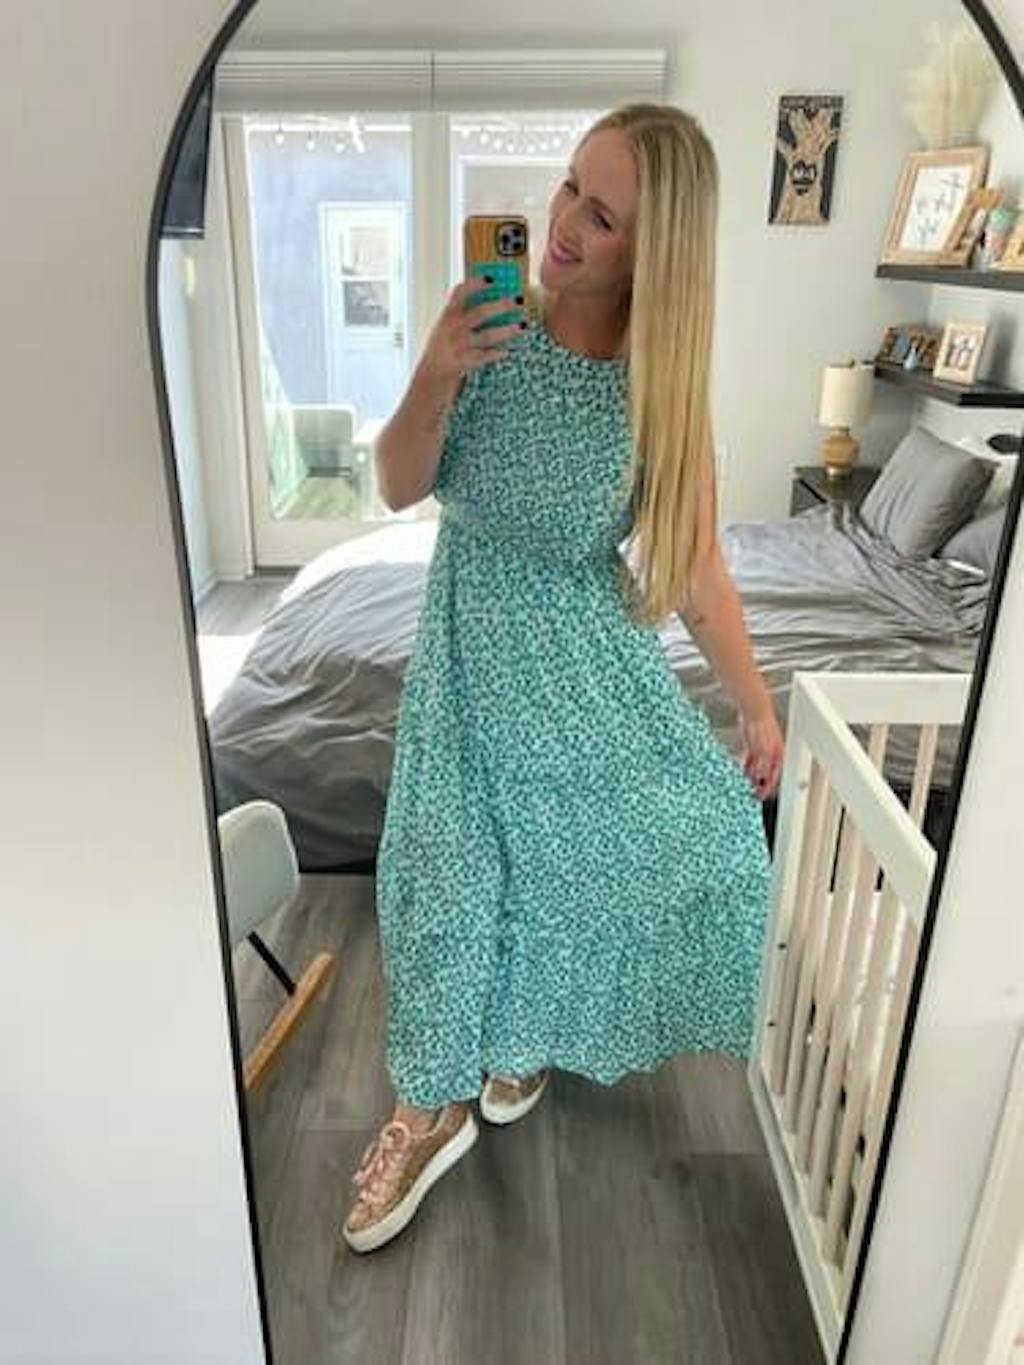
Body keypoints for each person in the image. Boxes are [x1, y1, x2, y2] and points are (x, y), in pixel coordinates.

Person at [342, 102, 785, 1255]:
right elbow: (397, 483)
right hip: (468, 644)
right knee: (441, 873)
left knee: (627, 847)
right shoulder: (488, 333)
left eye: (605, 217)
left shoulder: (657, 391)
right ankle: (426, 1110)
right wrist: (438, 368)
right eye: (568, 188)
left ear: (653, 254)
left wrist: (754, 704)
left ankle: (525, 1038)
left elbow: (695, 569)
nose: (566, 225)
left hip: (582, 660)